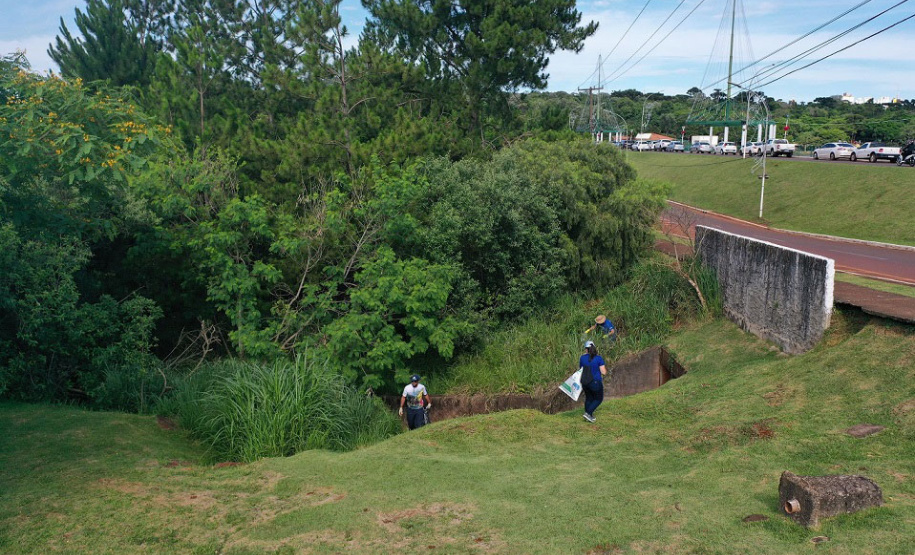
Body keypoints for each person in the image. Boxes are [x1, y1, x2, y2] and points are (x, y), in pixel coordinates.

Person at [580, 340, 607, 423]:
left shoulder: (582, 358)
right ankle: (588, 413)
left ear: (586, 349)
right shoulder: (598, 358)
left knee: (589, 398)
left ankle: (589, 416)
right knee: (598, 399)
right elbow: (603, 372)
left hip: (584, 382)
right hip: (595, 382)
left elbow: (581, 369)